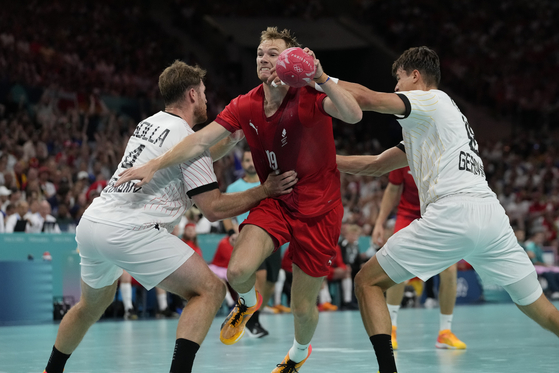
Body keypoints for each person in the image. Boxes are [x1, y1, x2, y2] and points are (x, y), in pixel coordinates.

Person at [116, 27, 362, 372]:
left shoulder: (310, 96)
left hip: (321, 212)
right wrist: (155, 164)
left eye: (273, 53)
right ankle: (247, 303)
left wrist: (321, 76)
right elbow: (201, 142)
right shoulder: (245, 105)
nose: (264, 58)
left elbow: (354, 114)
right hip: (277, 199)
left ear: (292, 60)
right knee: (238, 269)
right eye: (260, 53)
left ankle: (298, 353)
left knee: (302, 306)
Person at [42, 60, 297, 373]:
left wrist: (230, 141)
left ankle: (50, 370)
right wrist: (265, 190)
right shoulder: (186, 136)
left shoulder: (150, 123)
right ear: (191, 94)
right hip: (132, 230)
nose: (205, 99)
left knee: (89, 306)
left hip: (94, 223)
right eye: (203, 93)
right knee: (210, 290)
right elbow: (214, 209)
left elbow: (187, 156)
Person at [334, 46, 559, 373]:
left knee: (367, 282)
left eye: (398, 79)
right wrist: (324, 162)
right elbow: (376, 166)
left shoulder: (431, 100)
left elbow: (368, 99)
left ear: (415, 76)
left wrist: (320, 78)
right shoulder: (432, 124)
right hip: (491, 217)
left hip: (454, 211)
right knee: (542, 310)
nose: (396, 88)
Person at [371, 166, 466, 350]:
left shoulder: (444, 148)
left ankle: (444, 333)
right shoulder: (405, 150)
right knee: (396, 264)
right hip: (408, 214)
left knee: (449, 269)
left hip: (438, 216)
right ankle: (390, 329)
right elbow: (392, 188)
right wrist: (379, 223)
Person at [222, 145, 283, 338]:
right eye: (246, 160)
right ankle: (250, 321)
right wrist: (232, 231)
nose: (249, 164)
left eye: (252, 160)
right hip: (249, 239)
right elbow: (225, 213)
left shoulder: (269, 185)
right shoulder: (233, 188)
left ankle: (251, 319)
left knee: (272, 282)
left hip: (274, 239)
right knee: (261, 277)